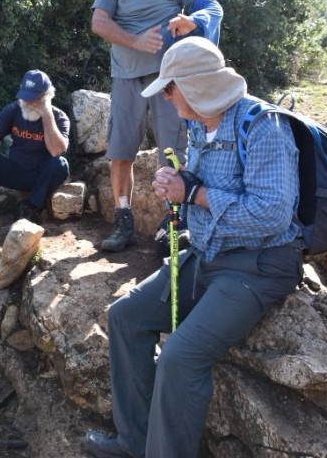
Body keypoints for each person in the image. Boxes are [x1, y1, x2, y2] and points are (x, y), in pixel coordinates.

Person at [82, 37, 303, 458]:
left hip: (258, 266)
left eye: (169, 88)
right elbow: (195, 188)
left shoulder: (263, 127)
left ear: (196, 85)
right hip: (207, 255)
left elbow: (272, 214)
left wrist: (196, 194)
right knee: (125, 317)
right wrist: (176, 188)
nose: (165, 97)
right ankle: (135, 441)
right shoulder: (200, 121)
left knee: (180, 359)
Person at [91, 0, 223, 253]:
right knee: (121, 152)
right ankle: (123, 224)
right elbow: (99, 22)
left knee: (173, 150)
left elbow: (211, 6)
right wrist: (135, 41)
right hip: (126, 77)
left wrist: (194, 21)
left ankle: (174, 224)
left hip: (170, 80)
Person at [0, 69, 70, 235]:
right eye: (24, 96)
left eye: (33, 98)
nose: (27, 102)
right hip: (15, 170)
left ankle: (30, 208)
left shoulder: (59, 117)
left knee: (60, 164)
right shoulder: (13, 110)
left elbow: (56, 150)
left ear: (46, 96)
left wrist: (46, 113)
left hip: (40, 175)